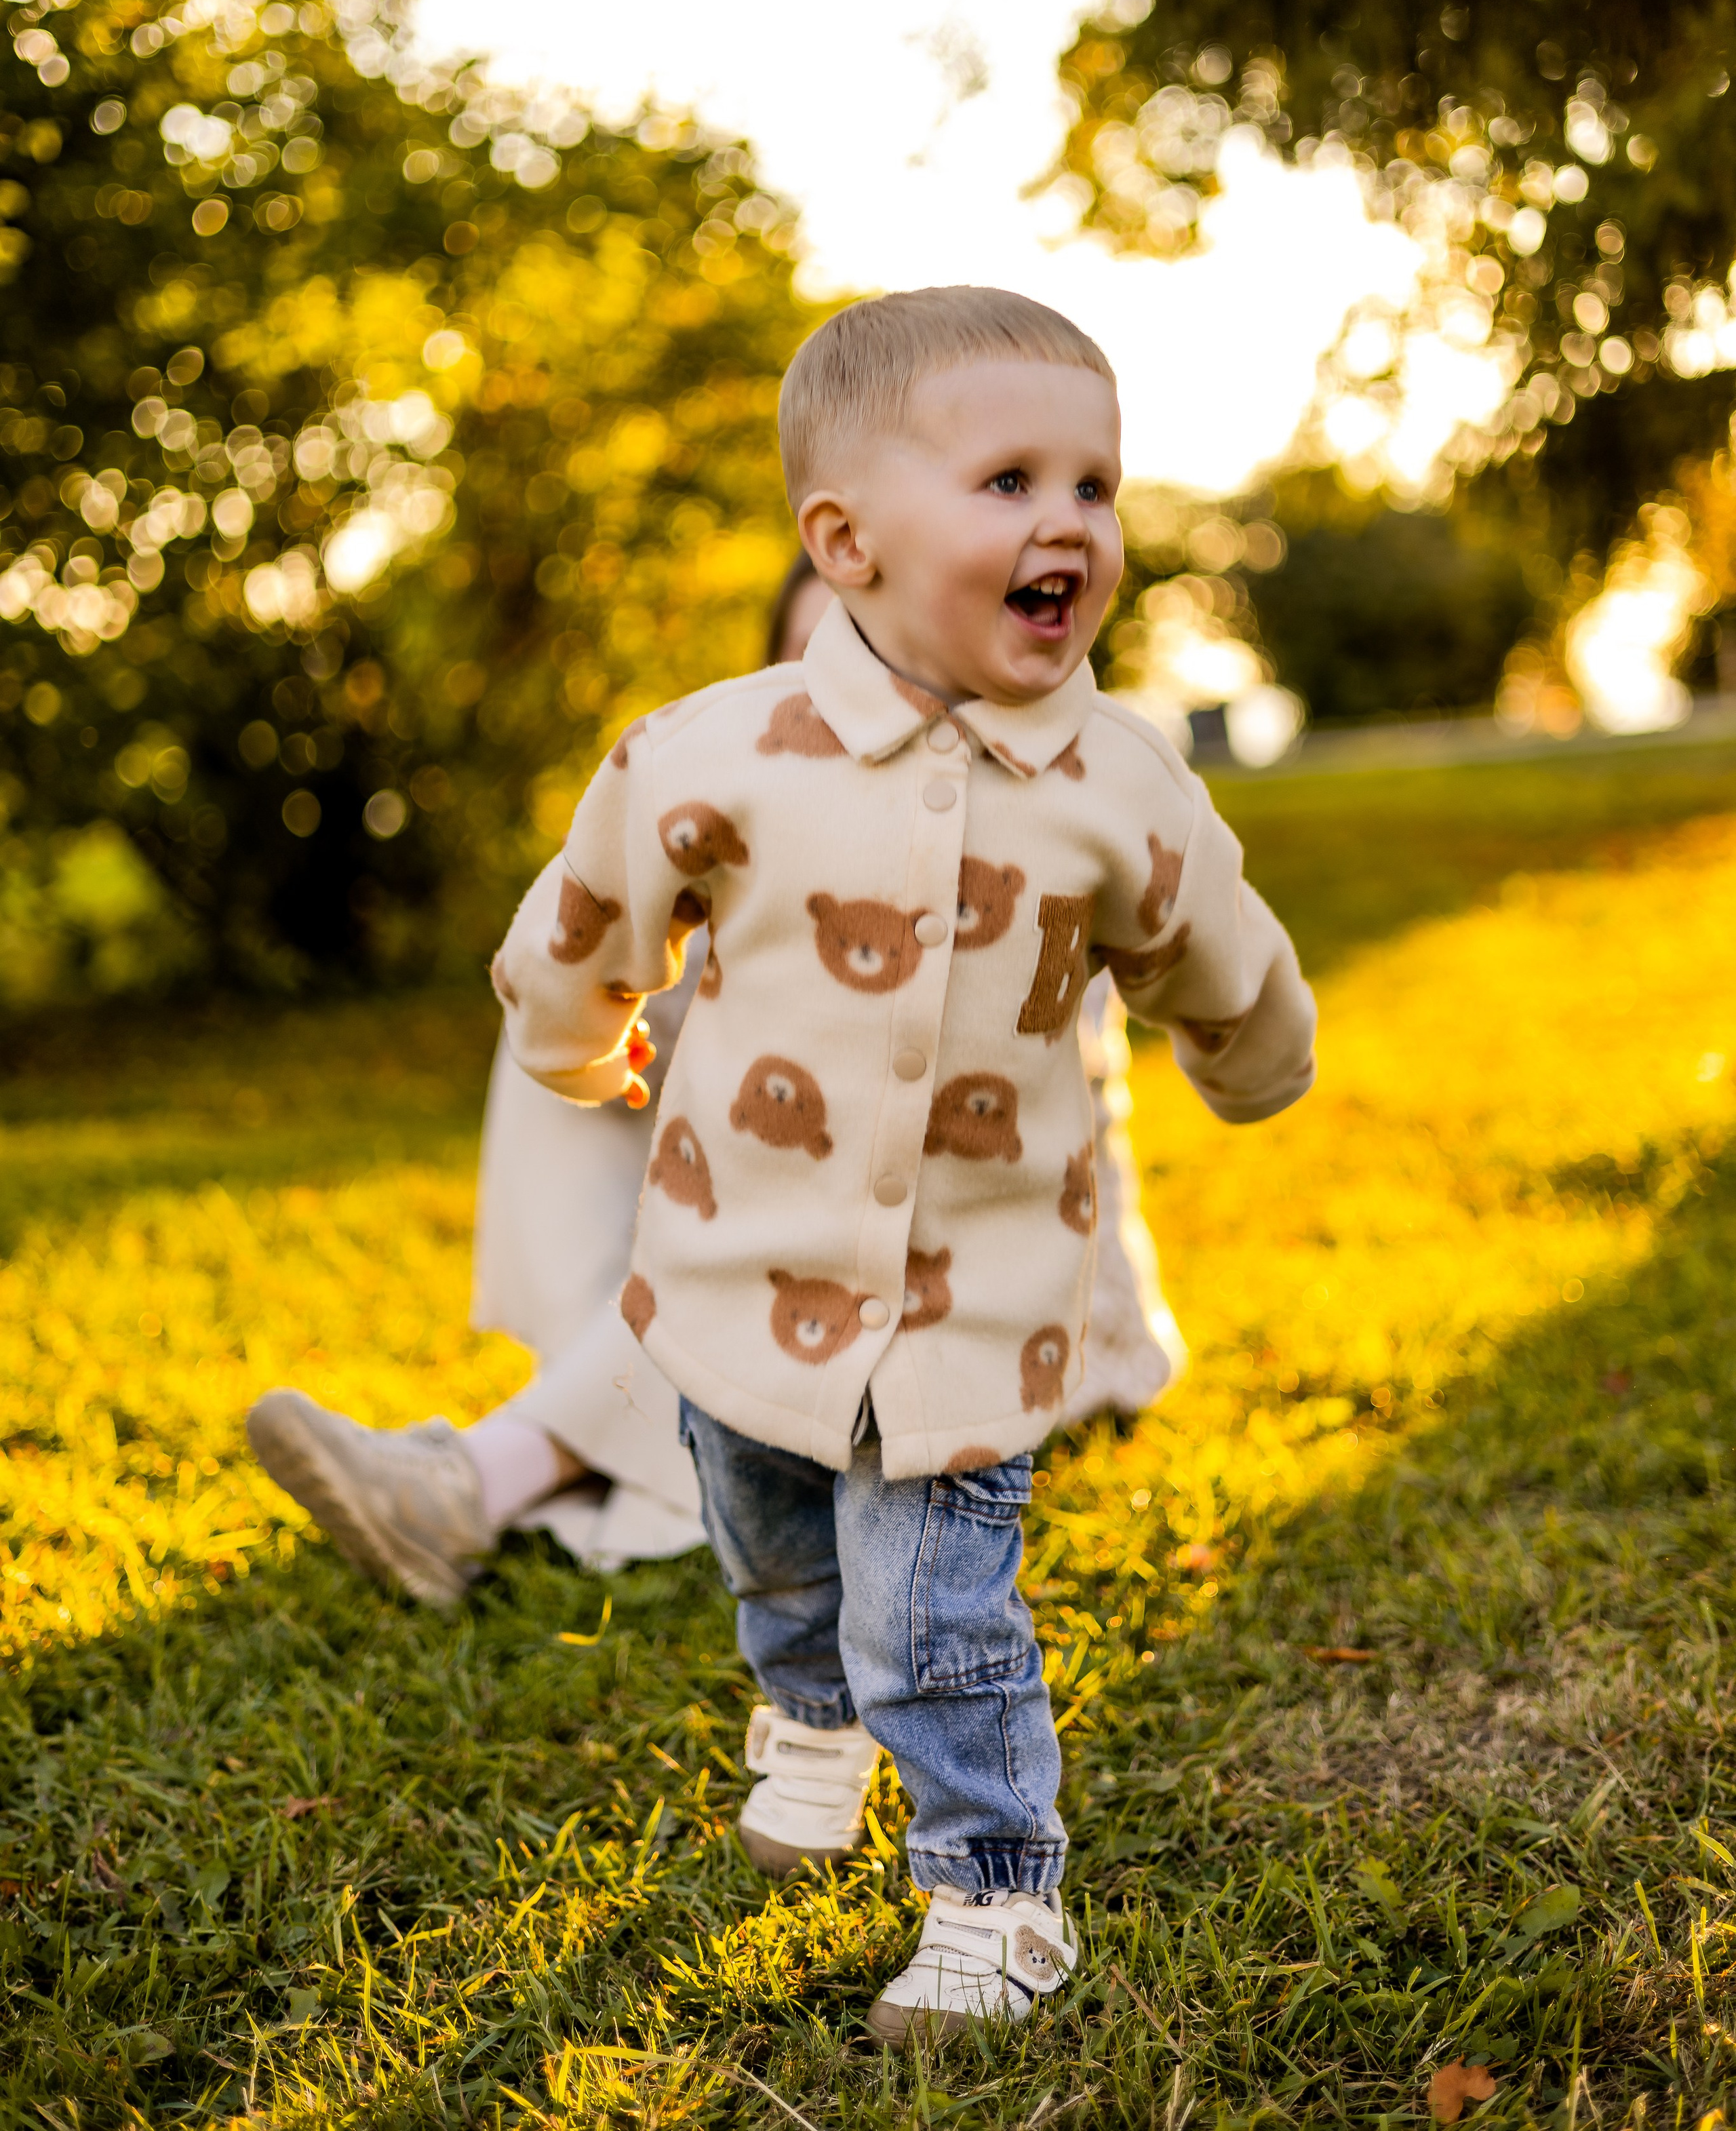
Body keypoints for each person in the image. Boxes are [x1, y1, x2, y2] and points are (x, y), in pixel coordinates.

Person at [488, 286, 1316, 2044]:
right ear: (844, 542)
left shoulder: (1118, 785)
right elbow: (585, 918)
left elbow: (1219, 950)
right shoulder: (717, 754)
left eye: (1092, 483)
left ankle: (996, 1897)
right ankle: (805, 1714)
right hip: (731, 1280)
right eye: (1009, 479)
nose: (1068, 522)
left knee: (936, 1615)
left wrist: (1256, 1059)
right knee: (779, 1555)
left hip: (973, 1312)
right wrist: (576, 1040)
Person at [248, 558, 1189, 1599]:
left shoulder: (1032, 846)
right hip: (819, 1275)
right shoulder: (781, 852)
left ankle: (475, 1482)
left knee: (796, 1219)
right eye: (814, 674)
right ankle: (591, 1387)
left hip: (1003, 1309)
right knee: (565, 1045)